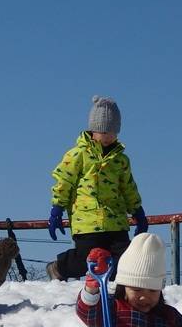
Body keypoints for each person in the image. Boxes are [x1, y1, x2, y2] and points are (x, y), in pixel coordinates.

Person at [46, 95, 147, 280]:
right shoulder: (78, 154)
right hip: (87, 221)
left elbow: (128, 187)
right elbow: (64, 181)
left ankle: (114, 291)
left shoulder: (121, 160)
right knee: (87, 258)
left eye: (112, 132)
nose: (108, 137)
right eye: (103, 132)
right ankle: (59, 267)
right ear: (93, 130)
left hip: (116, 220)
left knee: (124, 260)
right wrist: (57, 207)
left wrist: (137, 210)